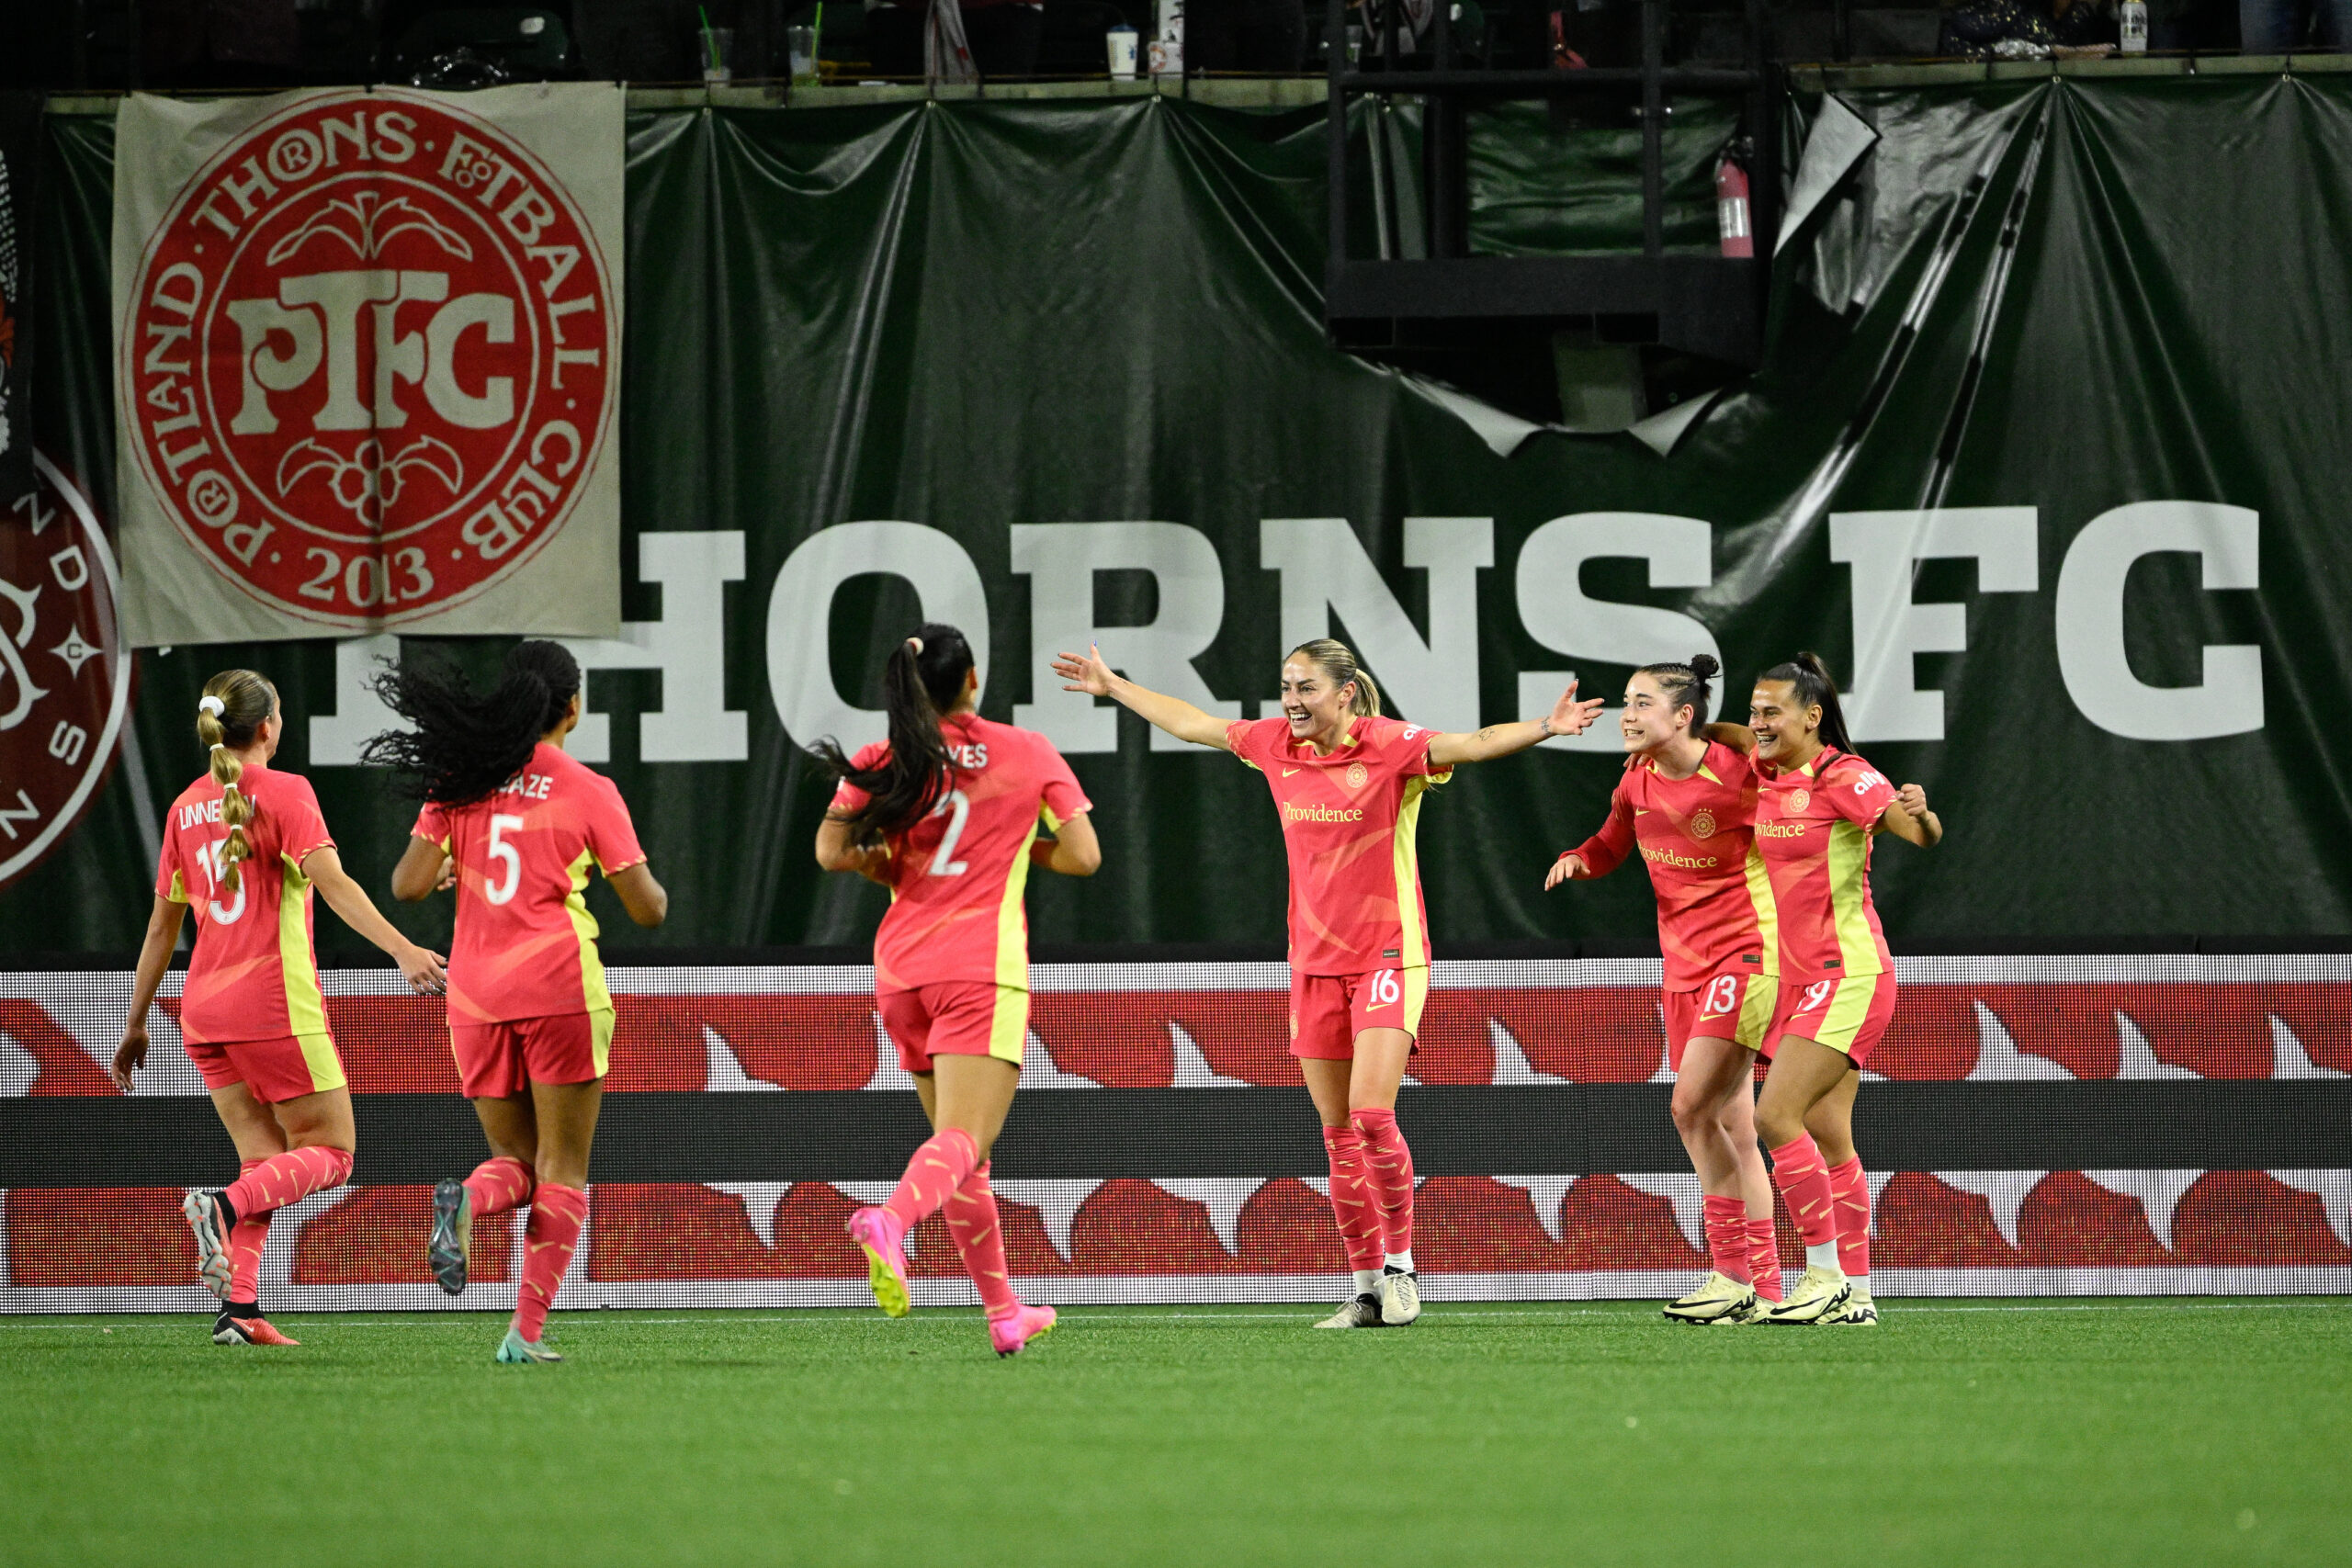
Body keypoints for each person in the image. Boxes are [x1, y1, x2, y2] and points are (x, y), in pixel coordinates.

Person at [1052, 636, 1601, 1329]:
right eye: (1285, 686)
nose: (1291, 699)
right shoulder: (1273, 743)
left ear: (1344, 693)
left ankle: (1402, 1269)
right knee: (1338, 1134)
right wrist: (1115, 686)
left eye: (1305, 687)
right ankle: (1366, 1286)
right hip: (1312, 964)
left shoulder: (1391, 745)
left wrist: (1546, 727)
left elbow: (1473, 742)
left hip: (1389, 956)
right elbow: (1193, 720)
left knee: (1372, 1115)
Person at [112, 670, 447, 1347]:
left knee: (264, 1160)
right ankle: (219, 1208)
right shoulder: (287, 792)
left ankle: (238, 1309)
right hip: (273, 1006)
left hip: (201, 1013)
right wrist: (404, 948)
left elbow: (159, 930)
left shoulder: (182, 808)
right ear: (267, 727)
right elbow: (335, 883)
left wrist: (135, 1022)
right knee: (333, 1151)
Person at [373, 641, 669, 1365]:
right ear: (572, 706)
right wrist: (632, 877)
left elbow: (407, 883)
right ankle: (523, 1334)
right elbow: (648, 908)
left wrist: (454, 863)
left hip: (475, 995)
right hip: (559, 986)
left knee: (513, 1158)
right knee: (563, 1167)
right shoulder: (586, 788)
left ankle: (469, 1201)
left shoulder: (463, 780)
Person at [812, 626, 1098, 1358]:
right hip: (978, 966)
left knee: (961, 1152)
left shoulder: (887, 758)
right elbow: (1084, 855)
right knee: (968, 1139)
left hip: (902, 970)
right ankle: (890, 1221)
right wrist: (1015, 844)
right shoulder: (1024, 749)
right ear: (971, 679)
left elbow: (832, 850)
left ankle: (1005, 1312)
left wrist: (892, 865)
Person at [1544, 655, 1785, 1325]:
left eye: (1643, 702)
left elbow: (1801, 804)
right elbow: (1611, 843)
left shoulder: (1740, 773)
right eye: (1627, 700)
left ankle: (1736, 1274)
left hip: (1747, 955)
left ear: (1684, 715)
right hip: (1681, 971)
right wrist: (1579, 858)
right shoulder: (1635, 781)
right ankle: (1758, 1286)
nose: (1627, 713)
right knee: (1731, 1124)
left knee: (1688, 1108)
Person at [1742, 653, 1940, 1327]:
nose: (1758, 722)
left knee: (1773, 1117)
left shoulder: (1845, 777)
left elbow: (1915, 830)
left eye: (1772, 710)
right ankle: (1857, 1293)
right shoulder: (1766, 769)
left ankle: (1821, 1273)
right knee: (1828, 1133)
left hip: (1849, 975)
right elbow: (1726, 736)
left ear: (1812, 716)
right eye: (1755, 709)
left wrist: (1920, 812)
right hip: (1801, 982)